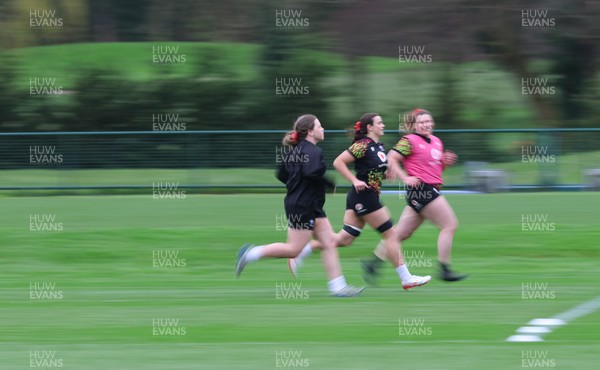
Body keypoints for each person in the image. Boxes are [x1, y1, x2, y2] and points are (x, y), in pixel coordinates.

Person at [288, 113, 431, 290]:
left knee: (344, 239)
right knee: (391, 235)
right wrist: (354, 181)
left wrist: (386, 175)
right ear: (370, 127)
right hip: (365, 196)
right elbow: (338, 162)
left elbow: (371, 172)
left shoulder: (378, 146)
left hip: (362, 196)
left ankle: (302, 250)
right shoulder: (362, 145)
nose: (383, 125)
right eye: (379, 123)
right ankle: (406, 278)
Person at [235, 114, 364, 297]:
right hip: (303, 206)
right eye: (319, 126)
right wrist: (328, 183)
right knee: (294, 249)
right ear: (310, 132)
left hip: (310, 205)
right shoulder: (313, 151)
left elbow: (280, 174)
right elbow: (311, 172)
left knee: (328, 243)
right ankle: (250, 254)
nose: (323, 129)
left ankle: (338, 287)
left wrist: (297, 184)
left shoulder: (294, 151)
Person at [361, 108, 468, 283]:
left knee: (399, 234)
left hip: (427, 189)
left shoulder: (436, 141)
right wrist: (405, 177)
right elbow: (391, 157)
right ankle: (445, 269)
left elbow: (434, 170)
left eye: (428, 121)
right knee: (449, 225)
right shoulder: (409, 140)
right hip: (422, 189)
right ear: (414, 126)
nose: (426, 124)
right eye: (422, 122)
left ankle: (373, 263)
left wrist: (444, 163)